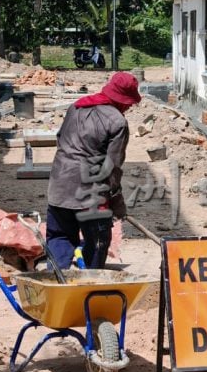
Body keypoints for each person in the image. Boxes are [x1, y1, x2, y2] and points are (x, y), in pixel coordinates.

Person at [46, 71, 141, 270]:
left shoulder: (77, 106)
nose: (129, 108)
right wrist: (116, 201)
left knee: (59, 237)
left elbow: (60, 138)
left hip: (59, 185)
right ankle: (89, 285)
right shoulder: (117, 122)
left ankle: (55, 283)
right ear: (124, 101)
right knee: (97, 242)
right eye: (130, 104)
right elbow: (112, 168)